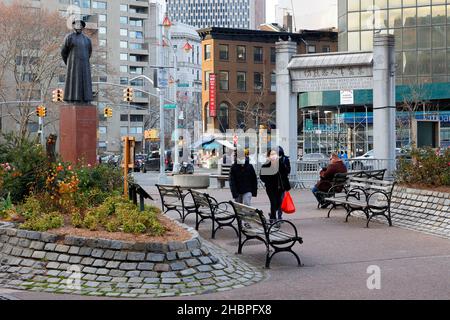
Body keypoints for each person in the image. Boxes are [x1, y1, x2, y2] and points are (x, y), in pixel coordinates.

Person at [260, 150, 291, 227]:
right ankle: (273, 219)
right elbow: (262, 176)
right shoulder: (266, 165)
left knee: (279, 202)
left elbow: (285, 174)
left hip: (280, 187)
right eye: (272, 154)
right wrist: (268, 182)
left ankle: (272, 215)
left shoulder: (280, 164)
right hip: (270, 188)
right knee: (273, 202)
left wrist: (286, 186)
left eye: (275, 154)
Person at [277, 146, 291, 221]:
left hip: (282, 184)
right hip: (274, 184)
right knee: (275, 200)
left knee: (281, 200)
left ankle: (279, 215)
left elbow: (288, 170)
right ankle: (274, 214)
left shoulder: (285, 159)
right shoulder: (271, 160)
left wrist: (283, 166)